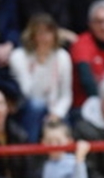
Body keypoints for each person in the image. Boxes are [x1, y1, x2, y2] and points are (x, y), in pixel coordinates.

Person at [10, 13, 74, 143]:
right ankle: (30, 149)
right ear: (31, 36)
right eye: (39, 33)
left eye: (48, 33)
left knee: (63, 119)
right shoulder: (18, 56)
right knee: (37, 106)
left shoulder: (63, 56)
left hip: (54, 107)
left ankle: (64, 154)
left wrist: (57, 113)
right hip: (27, 107)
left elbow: (66, 95)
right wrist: (40, 63)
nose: (44, 38)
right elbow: (28, 92)